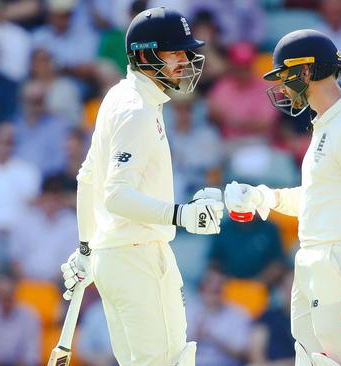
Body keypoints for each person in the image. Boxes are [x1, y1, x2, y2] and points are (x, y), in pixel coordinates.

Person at [59, 7, 224, 366]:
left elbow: (87, 177)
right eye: (175, 52)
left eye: (185, 51)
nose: (185, 60)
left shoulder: (120, 96)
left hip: (116, 257)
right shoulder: (137, 109)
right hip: (137, 255)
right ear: (146, 55)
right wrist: (180, 214)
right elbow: (115, 194)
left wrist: (87, 246)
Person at [225, 29, 341, 366]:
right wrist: (264, 198)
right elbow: (319, 198)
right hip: (314, 260)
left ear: (305, 72)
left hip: (340, 261)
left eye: (285, 76)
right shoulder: (327, 124)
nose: (282, 88)